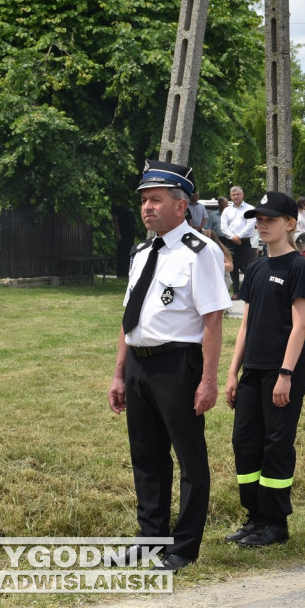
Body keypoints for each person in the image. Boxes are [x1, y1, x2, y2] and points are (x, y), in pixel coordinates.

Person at [107, 160, 231, 571]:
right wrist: (119, 373)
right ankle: (150, 539)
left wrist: (208, 380)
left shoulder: (202, 252)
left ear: (181, 206)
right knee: (147, 457)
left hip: (179, 364)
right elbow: (130, 318)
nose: (147, 207)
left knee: (189, 459)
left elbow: (212, 319)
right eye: (144, 200)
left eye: (156, 199)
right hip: (140, 365)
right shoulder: (141, 252)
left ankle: (183, 547)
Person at [224, 192, 305, 547]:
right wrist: (233, 372)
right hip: (253, 371)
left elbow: (300, 326)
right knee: (245, 443)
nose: (262, 224)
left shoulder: (296, 267)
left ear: (289, 223)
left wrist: (286, 374)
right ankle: (255, 517)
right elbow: (245, 325)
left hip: (283, 372)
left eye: (270, 219)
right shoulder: (257, 267)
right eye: (258, 219)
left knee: (276, 445)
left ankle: (275, 523)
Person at [220, 186, 257, 300]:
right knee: (233, 268)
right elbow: (223, 227)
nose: (235, 197)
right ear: (230, 196)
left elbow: (250, 224)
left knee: (247, 267)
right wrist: (233, 237)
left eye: (238, 194)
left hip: (244, 242)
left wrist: (239, 236)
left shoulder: (250, 208)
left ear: (243, 195)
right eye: (233, 195)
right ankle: (236, 292)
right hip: (230, 242)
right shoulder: (227, 210)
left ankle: (248, 292)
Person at [111, 203, 136, 279]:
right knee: (121, 253)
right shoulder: (116, 204)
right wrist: (118, 233)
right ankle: (120, 273)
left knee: (129, 253)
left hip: (130, 232)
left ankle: (127, 273)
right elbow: (114, 220)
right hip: (122, 232)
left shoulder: (128, 203)